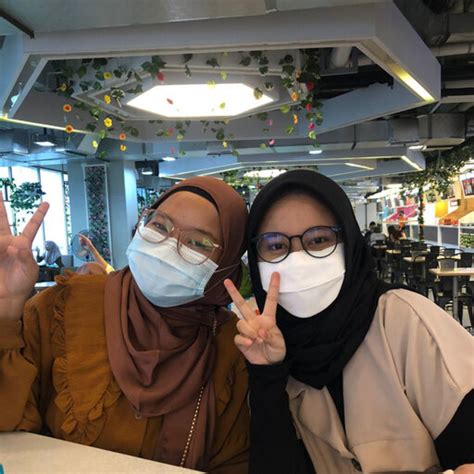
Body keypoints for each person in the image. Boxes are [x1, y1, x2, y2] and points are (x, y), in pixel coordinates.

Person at [224, 170, 474, 474]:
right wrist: (267, 375)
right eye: (276, 246)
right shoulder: (268, 345)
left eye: (319, 240)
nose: (298, 259)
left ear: (349, 243)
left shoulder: (403, 320)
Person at [0, 177, 249, 473]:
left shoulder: (229, 344)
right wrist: (6, 309)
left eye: (198, 243)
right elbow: (8, 426)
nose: (168, 246)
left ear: (225, 267)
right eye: (159, 226)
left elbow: (234, 461)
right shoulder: (66, 305)